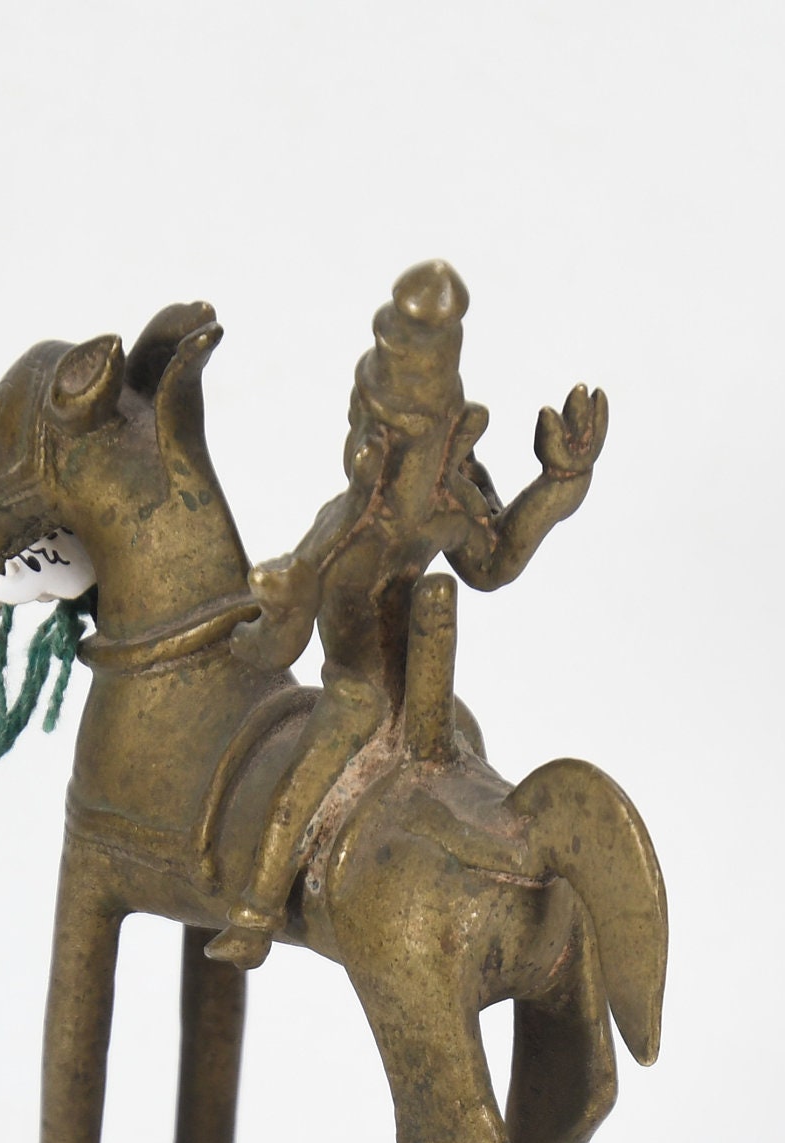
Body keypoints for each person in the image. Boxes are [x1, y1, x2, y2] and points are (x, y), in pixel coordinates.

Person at [206, 260, 609, 968]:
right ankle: (257, 907)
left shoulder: (446, 508)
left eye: (405, 440)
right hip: (357, 694)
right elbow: (286, 629)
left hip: (418, 698)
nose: (379, 454)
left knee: (459, 742)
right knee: (303, 780)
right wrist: (268, 619)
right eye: (372, 430)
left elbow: (494, 561)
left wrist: (558, 485)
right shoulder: (345, 530)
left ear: (456, 435)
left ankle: (264, 907)